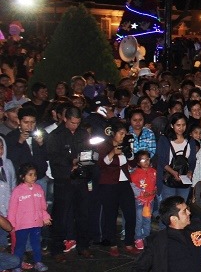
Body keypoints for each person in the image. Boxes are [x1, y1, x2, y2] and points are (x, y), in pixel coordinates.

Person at [46, 105, 94, 261]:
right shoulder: (55, 135)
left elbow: (88, 151)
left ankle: (84, 246)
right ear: (65, 119)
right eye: (72, 122)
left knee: (84, 214)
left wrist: (85, 162)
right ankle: (57, 249)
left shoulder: (82, 133)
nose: (75, 126)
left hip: (81, 179)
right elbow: (53, 157)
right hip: (64, 180)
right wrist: (70, 163)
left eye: (78, 123)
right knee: (61, 215)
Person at [95, 118, 138, 256]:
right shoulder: (104, 145)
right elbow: (102, 163)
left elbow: (132, 164)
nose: (123, 136)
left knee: (130, 213)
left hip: (124, 182)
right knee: (110, 214)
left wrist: (129, 153)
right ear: (113, 133)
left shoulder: (126, 145)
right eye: (120, 133)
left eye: (125, 133)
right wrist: (113, 152)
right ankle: (112, 243)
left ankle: (129, 242)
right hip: (108, 183)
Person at [7, 163, 51, 272]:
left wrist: (45, 217)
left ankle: (38, 262)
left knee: (36, 244)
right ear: (22, 176)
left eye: (35, 175)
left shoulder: (39, 189)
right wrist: (11, 225)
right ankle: (17, 266)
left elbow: (42, 207)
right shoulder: (17, 191)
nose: (33, 177)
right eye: (30, 175)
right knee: (20, 246)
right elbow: (12, 209)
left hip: (35, 223)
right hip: (22, 225)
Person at [157, 113, 198, 203]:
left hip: (184, 179)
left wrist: (190, 172)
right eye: (178, 125)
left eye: (183, 125)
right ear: (172, 125)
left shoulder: (190, 140)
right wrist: (173, 172)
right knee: (169, 205)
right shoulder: (164, 139)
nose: (181, 128)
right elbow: (161, 160)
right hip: (168, 178)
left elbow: (192, 160)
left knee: (181, 204)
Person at [129, 150, 157, 251]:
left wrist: (154, 191)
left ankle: (146, 236)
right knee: (139, 220)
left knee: (147, 219)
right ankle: (138, 238)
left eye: (148, 159)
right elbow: (132, 185)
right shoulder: (135, 173)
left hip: (150, 200)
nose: (146, 161)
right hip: (139, 200)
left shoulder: (153, 171)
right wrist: (141, 193)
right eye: (143, 160)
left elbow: (155, 184)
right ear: (137, 162)